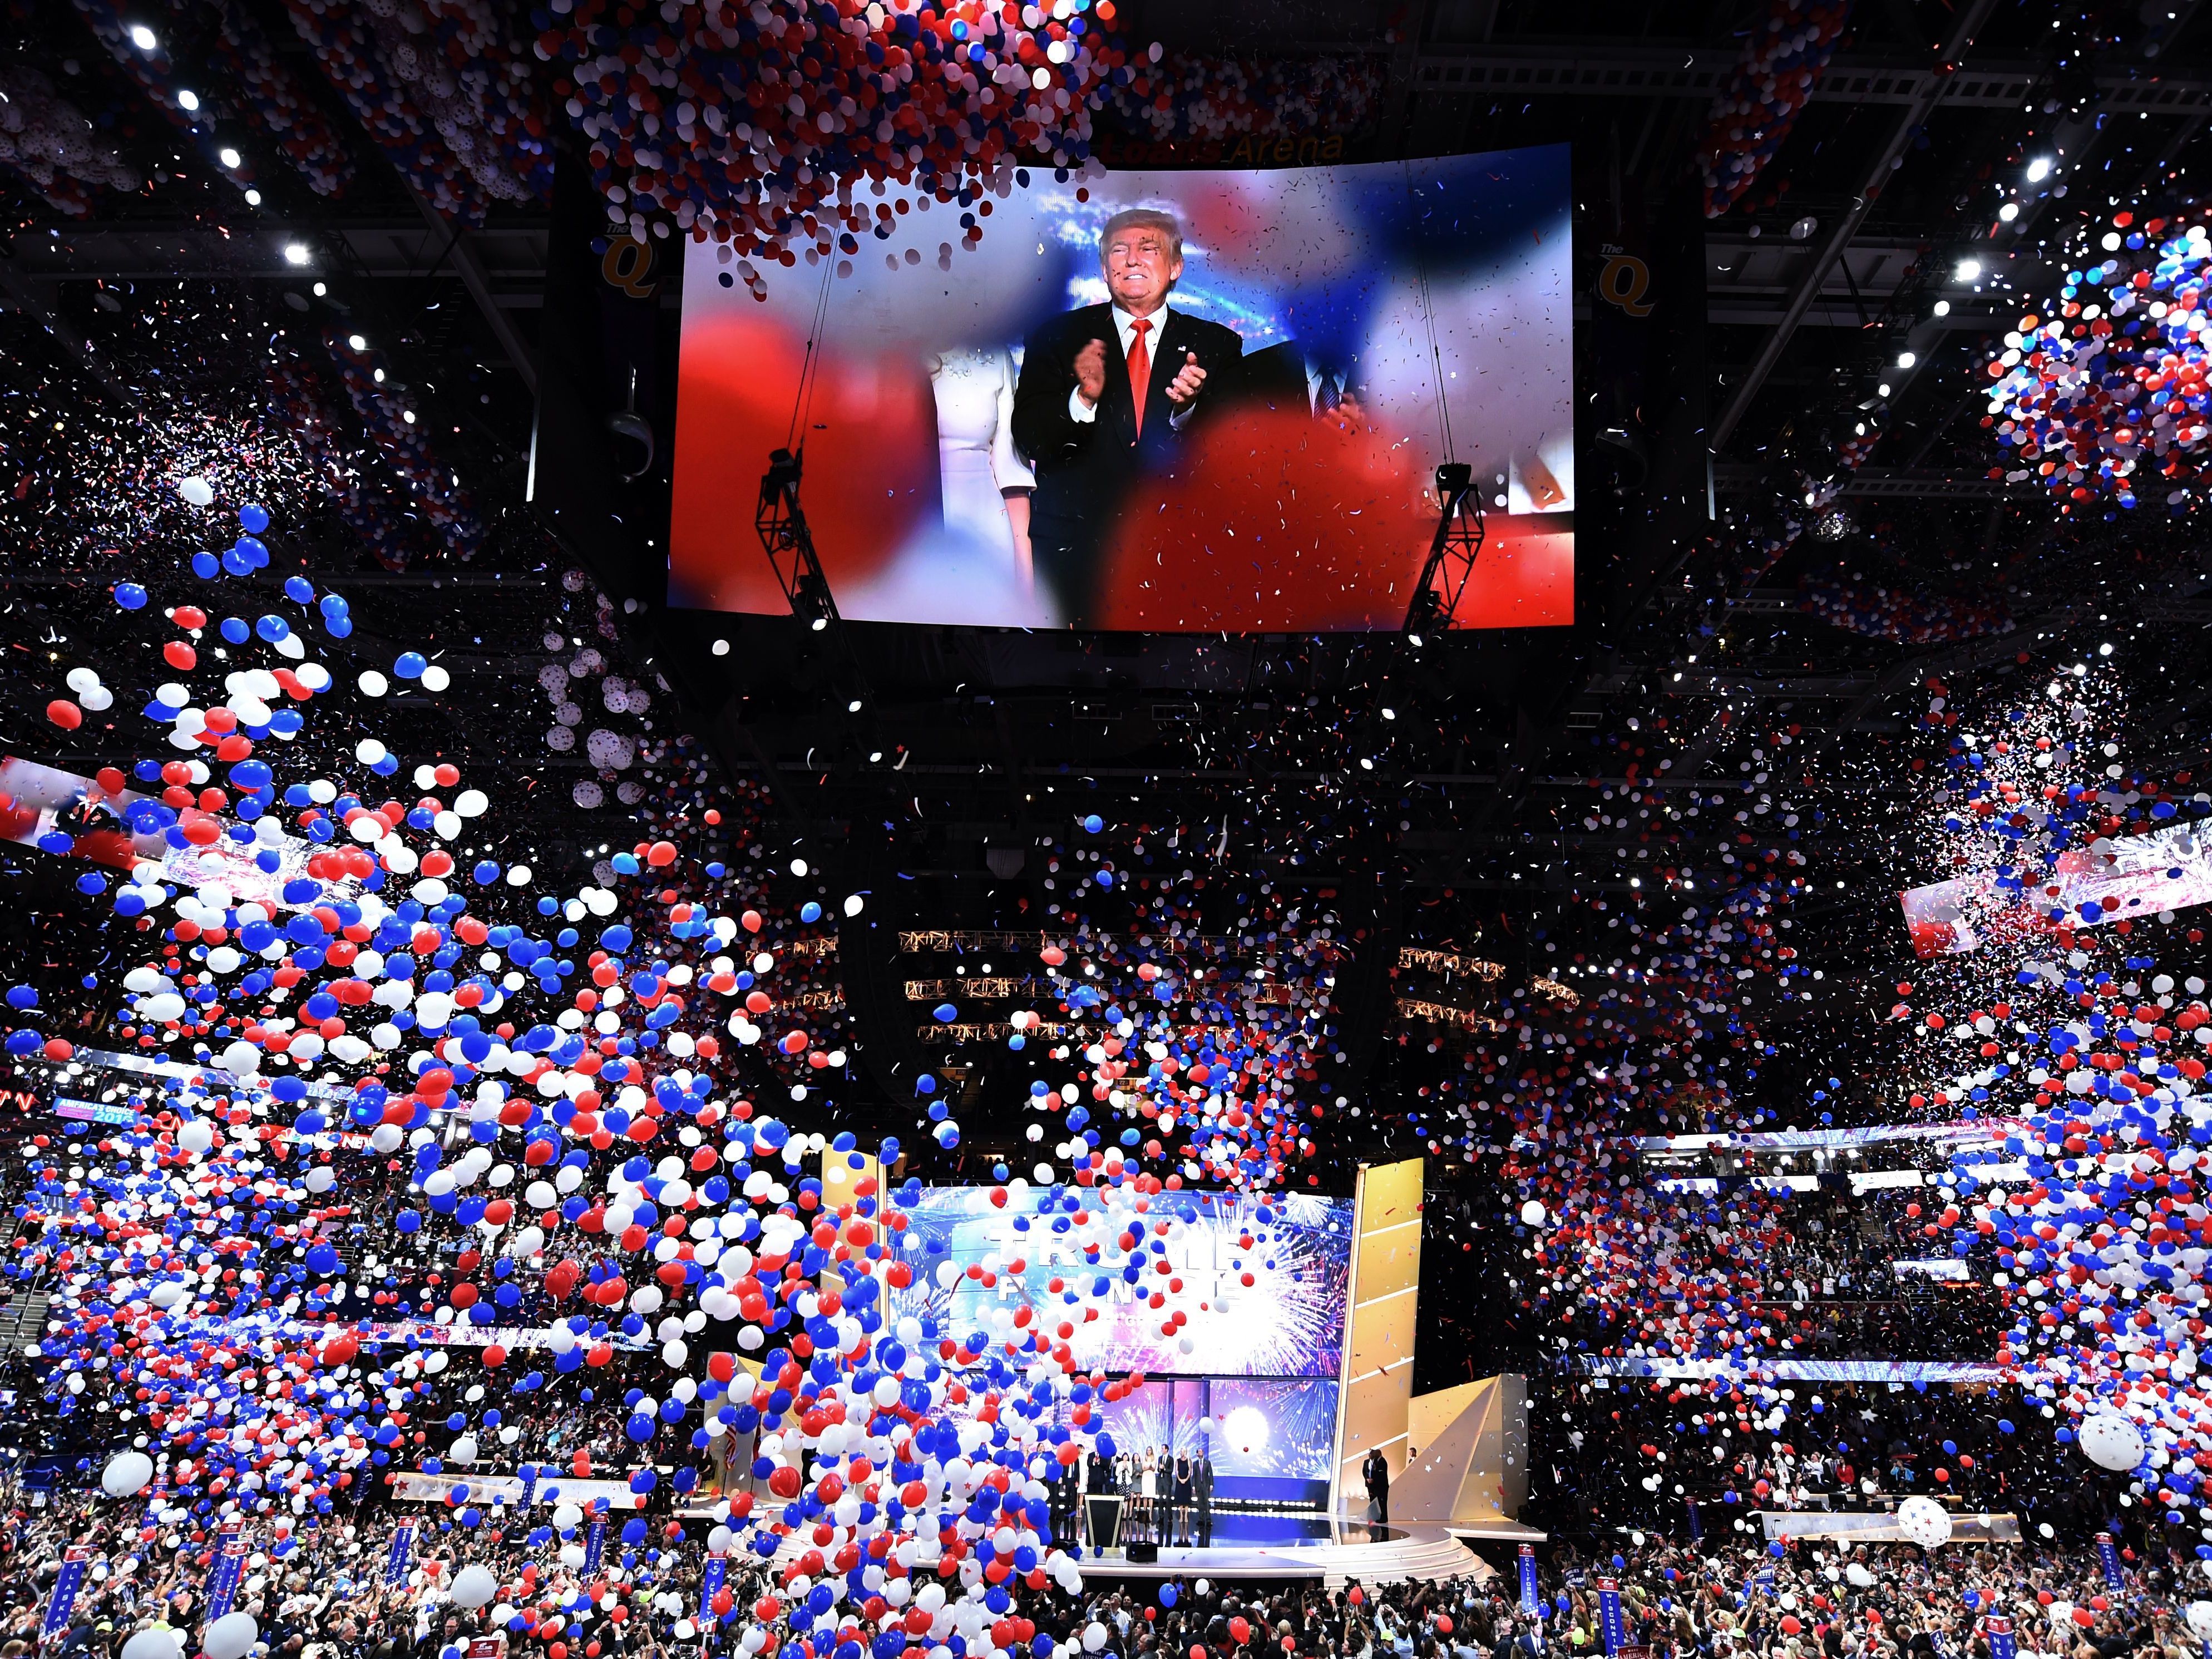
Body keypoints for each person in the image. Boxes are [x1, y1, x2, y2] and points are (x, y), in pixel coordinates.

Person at [1009, 206, 1244, 628]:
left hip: (1180, 553)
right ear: (1104, 269)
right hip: (1074, 555)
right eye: (1119, 250)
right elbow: (1028, 435)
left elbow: (1236, 455)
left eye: (1148, 248)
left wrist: (1187, 410)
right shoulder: (1056, 337)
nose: (1132, 259)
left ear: (1176, 267)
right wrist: (1082, 399)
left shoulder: (1216, 345)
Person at [1362, 1445, 1391, 1527]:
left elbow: (1380, 1474)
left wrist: (1374, 1480)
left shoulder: (1382, 1461)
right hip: (1377, 1486)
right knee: (1379, 1502)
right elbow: (1366, 1472)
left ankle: (1384, 1517)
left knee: (1383, 1503)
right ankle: (1381, 1517)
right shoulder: (1376, 1461)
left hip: (1382, 1486)